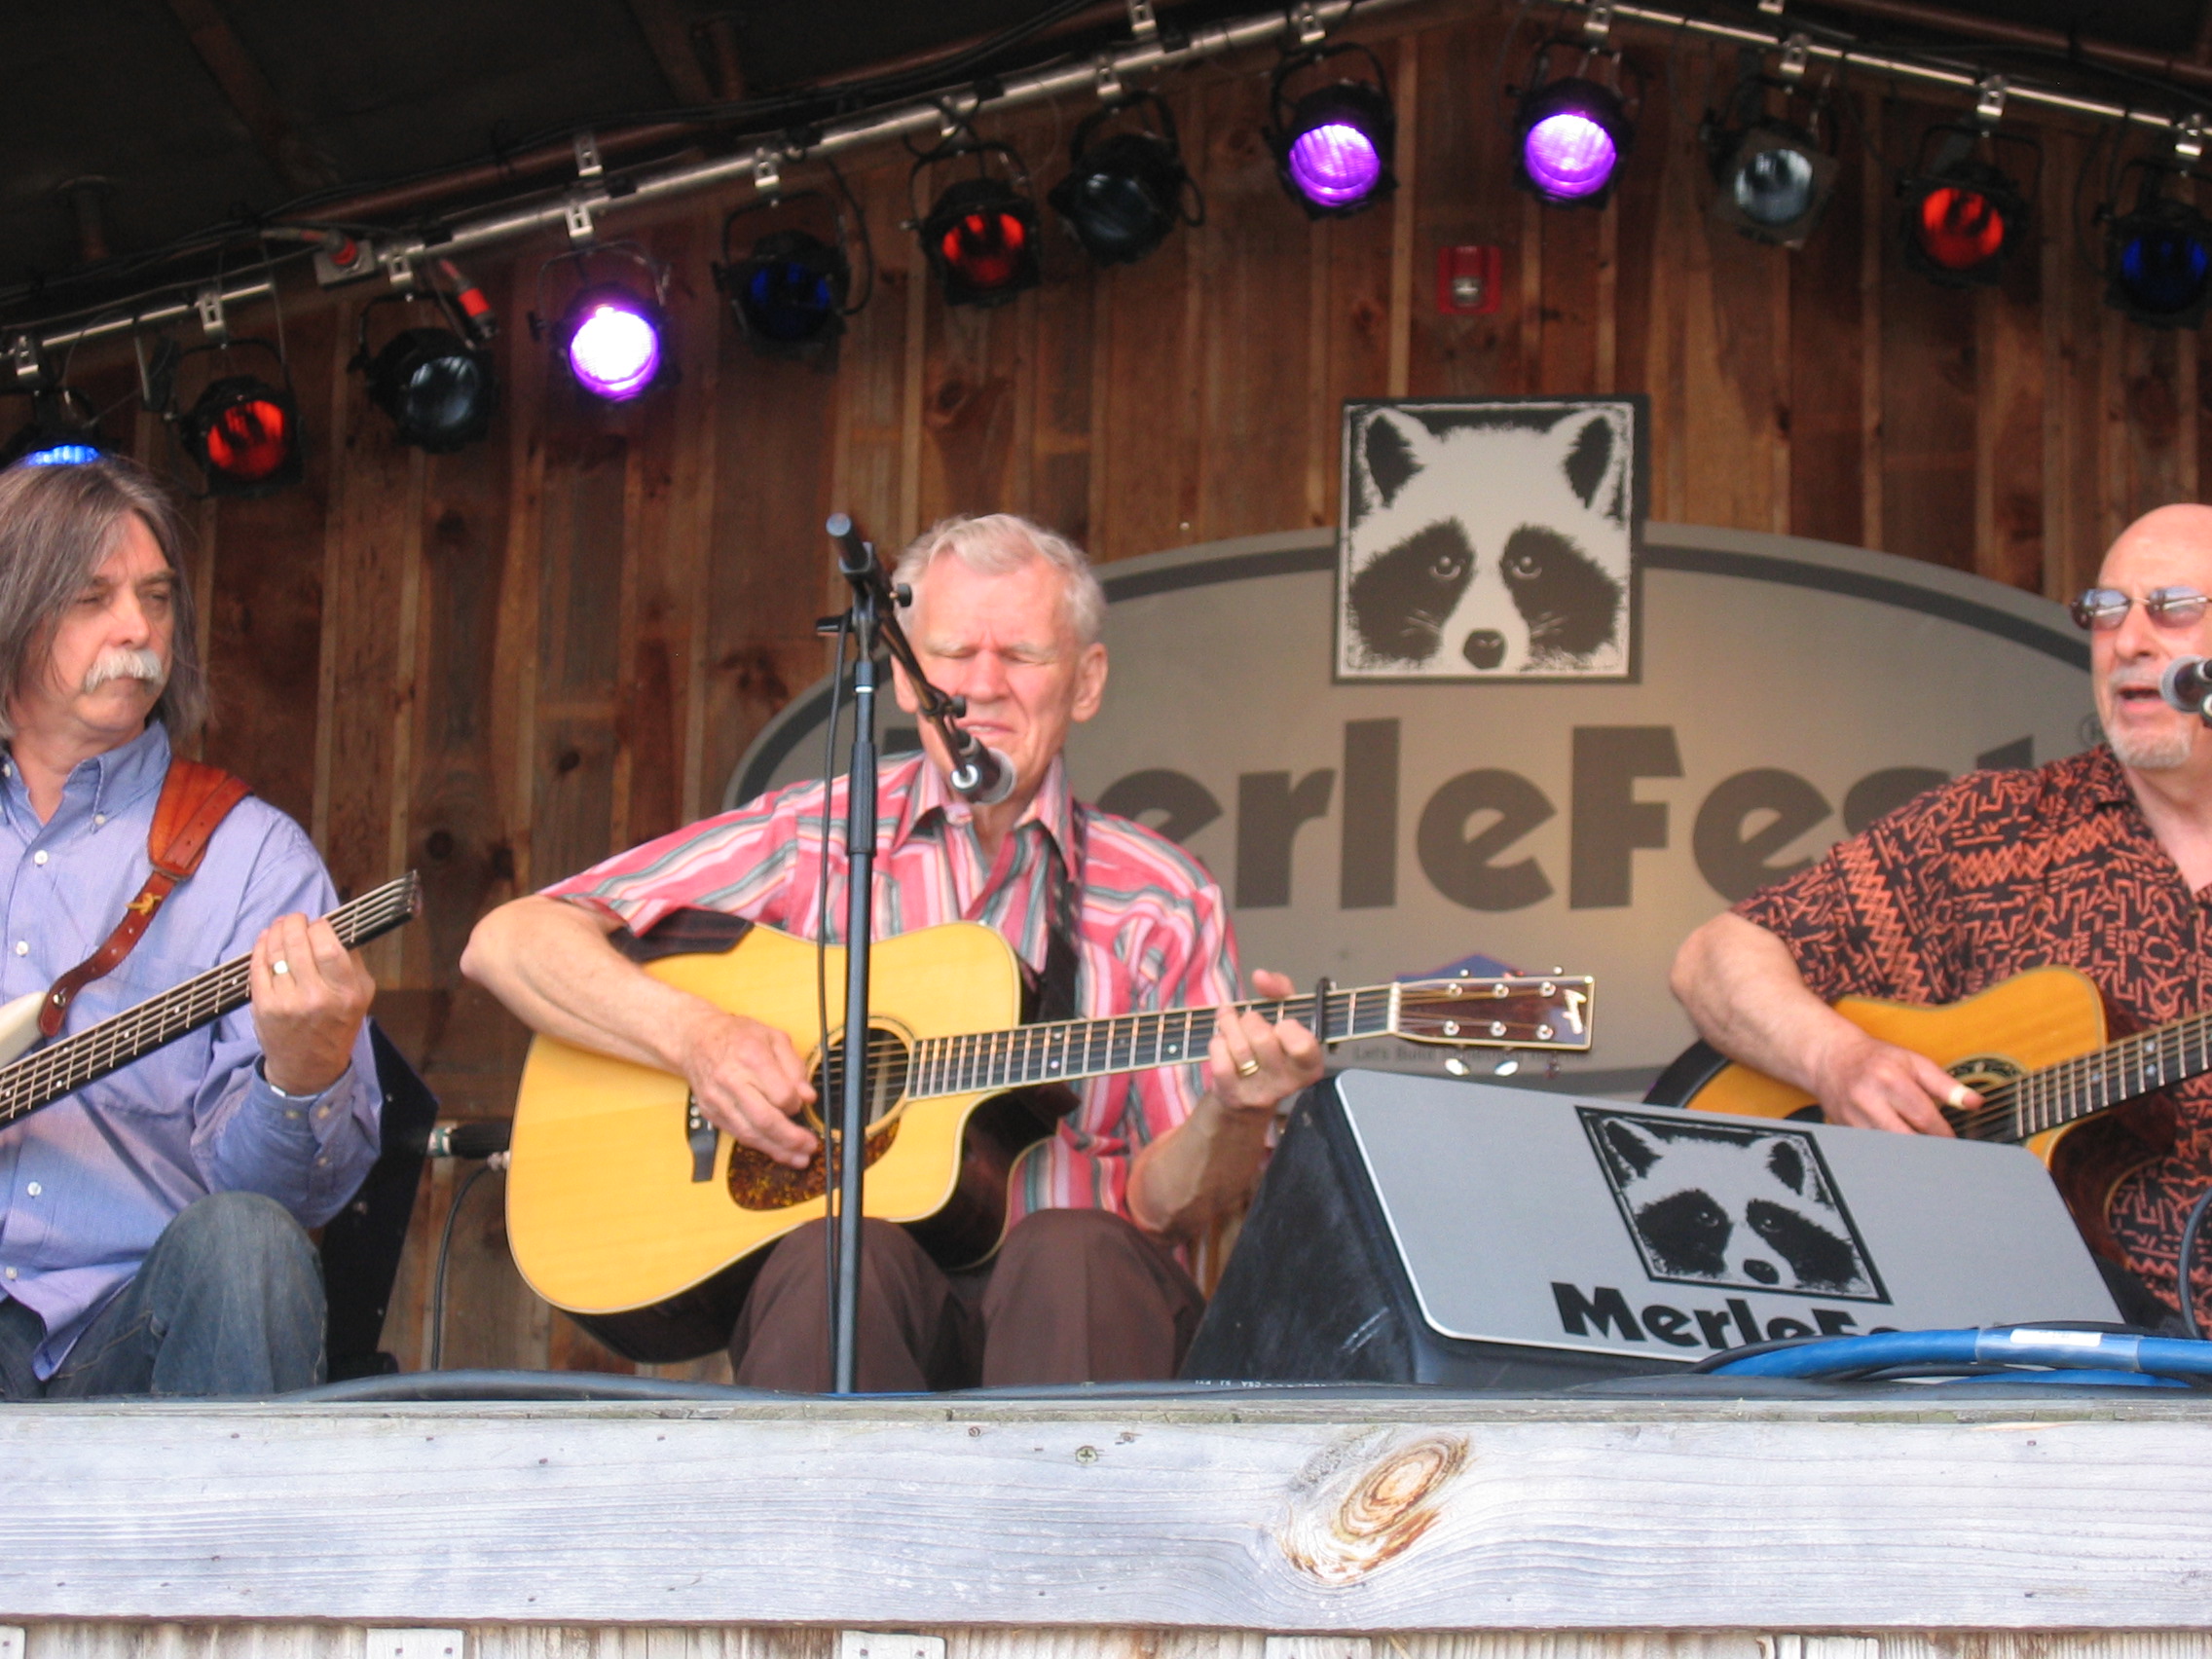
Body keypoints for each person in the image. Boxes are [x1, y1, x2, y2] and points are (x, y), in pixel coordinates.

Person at [463, 512, 1324, 1389]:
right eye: (952, 654)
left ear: (1087, 680)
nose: (983, 686)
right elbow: (510, 941)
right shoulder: (810, 837)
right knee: (838, 1261)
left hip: (1075, 1327)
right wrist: (695, 1037)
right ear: (906, 681)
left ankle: (1066, 1528)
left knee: (1074, 1258)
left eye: (1023, 655)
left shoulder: (1161, 896)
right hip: (859, 1310)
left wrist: (1235, 1111)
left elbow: (1169, 1202)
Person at [1671, 501, 2212, 1324]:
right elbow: (1714, 960)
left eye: (2172, 609)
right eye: (2105, 612)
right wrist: (1839, 1063)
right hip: (2017, 1376)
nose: (2129, 642)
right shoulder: (1990, 830)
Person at [0, 456, 379, 1399]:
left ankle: (234, 1549)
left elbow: (288, 1207)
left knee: (246, 1245)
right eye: (93, 598)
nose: (137, 629)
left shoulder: (252, 858)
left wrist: (306, 1073)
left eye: (157, 598)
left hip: (137, 1338)